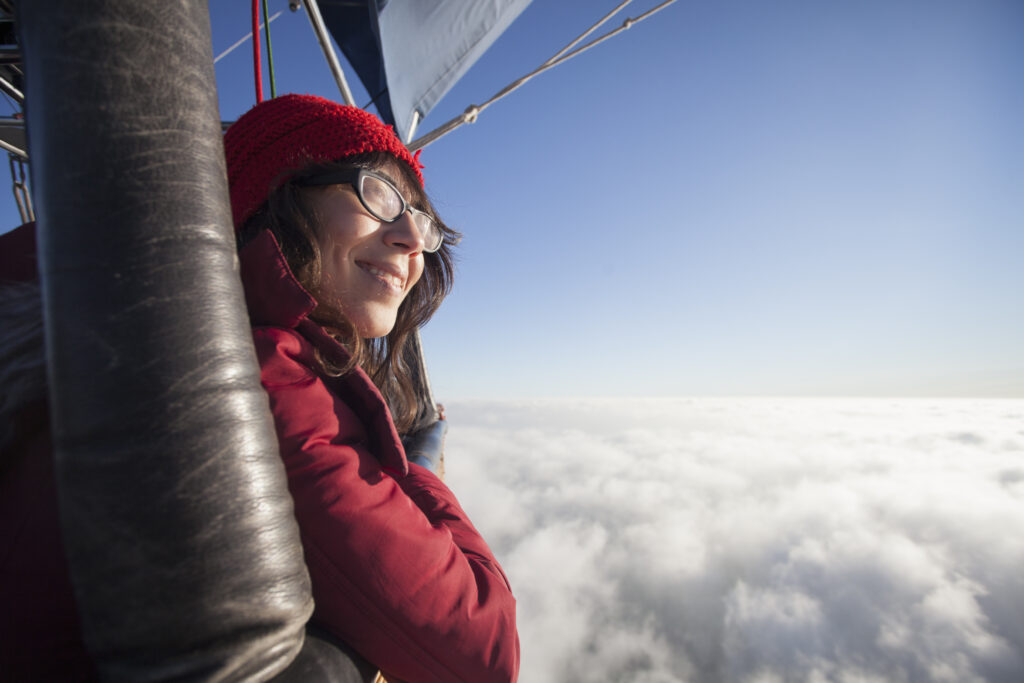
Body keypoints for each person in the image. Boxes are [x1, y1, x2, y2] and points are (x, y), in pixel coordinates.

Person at [0, 94, 519, 682]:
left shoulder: (117, 330)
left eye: (421, 220)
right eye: (379, 193)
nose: (409, 237)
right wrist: (417, 472)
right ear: (278, 193)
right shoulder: (253, 375)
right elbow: (483, 646)